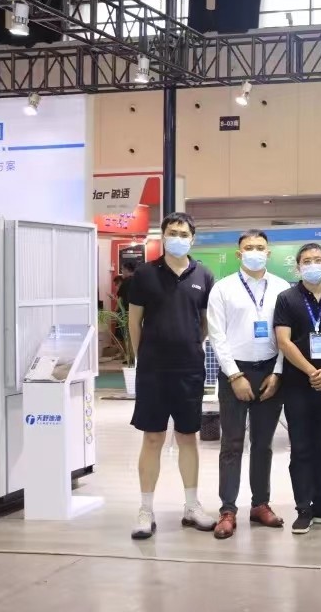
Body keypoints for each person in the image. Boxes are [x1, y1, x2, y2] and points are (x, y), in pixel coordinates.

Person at [127, 212, 216, 540]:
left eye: (183, 233)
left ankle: (192, 506)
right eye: (172, 232)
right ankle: (145, 510)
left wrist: (190, 344)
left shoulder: (203, 275)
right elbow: (134, 321)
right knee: (152, 438)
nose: (177, 237)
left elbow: (204, 322)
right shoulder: (144, 274)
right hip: (153, 370)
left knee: (187, 437)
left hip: (189, 369)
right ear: (163, 236)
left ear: (192, 238)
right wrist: (144, 357)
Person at [206, 229, 287, 539]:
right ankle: (227, 509)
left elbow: (287, 337)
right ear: (239, 254)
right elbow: (217, 336)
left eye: (260, 247)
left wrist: (277, 373)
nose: (255, 252)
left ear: (269, 252)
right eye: (249, 248)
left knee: (263, 444)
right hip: (234, 374)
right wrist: (234, 375)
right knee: (232, 443)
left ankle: (260, 504)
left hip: (270, 373)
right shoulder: (223, 289)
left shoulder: (281, 288)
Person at [274, 243, 321, 534]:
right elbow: (284, 341)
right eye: (307, 261)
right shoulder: (287, 299)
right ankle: (303, 508)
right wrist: (311, 371)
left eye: (318, 259)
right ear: (298, 267)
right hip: (297, 385)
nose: (313, 264)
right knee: (301, 449)